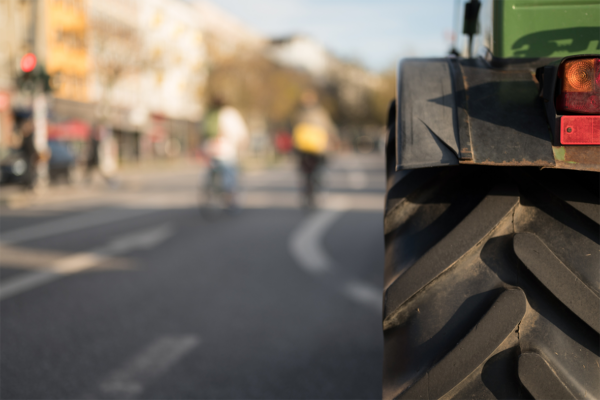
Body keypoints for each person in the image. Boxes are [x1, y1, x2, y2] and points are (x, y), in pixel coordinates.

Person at [292, 90, 338, 208]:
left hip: (304, 149)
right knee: (318, 172)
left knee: (306, 174)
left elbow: (293, 131)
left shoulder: (298, 114)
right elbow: (330, 128)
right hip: (317, 149)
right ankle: (315, 192)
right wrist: (334, 141)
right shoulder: (321, 113)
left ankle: (308, 193)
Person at [202, 97, 248, 210]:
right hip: (226, 149)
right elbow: (241, 132)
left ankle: (209, 188)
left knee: (211, 168)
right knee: (230, 174)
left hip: (209, 148)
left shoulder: (209, 114)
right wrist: (243, 144)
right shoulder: (231, 113)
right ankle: (230, 200)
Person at [14, 111, 38, 190]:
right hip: (27, 154)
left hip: (30, 154)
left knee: (31, 169)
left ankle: (30, 184)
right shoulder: (26, 135)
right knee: (28, 169)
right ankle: (28, 183)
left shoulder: (30, 134)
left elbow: (31, 145)